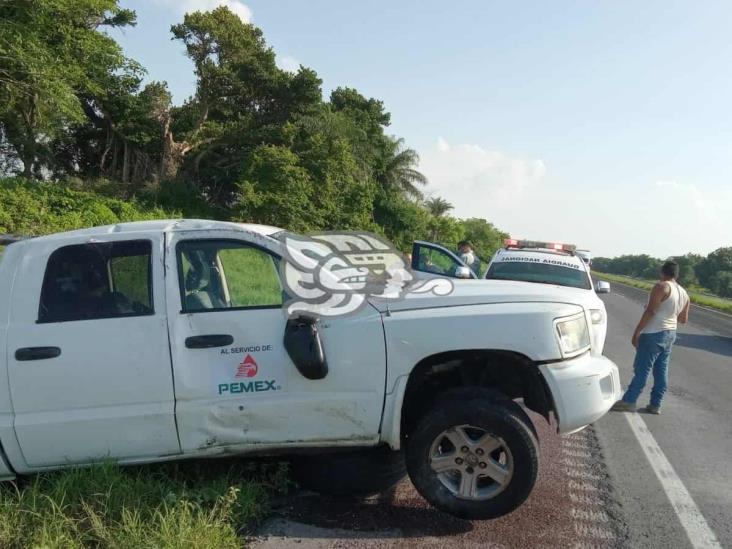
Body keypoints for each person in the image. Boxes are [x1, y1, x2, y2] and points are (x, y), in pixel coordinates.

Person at [611, 260, 690, 414]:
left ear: (662, 272)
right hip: (670, 333)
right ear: (676, 275)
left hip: (654, 332)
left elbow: (651, 311)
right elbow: (683, 319)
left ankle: (629, 401)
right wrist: (670, 312)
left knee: (642, 369)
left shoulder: (661, 286)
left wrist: (637, 332)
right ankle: (655, 404)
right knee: (661, 371)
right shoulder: (684, 293)